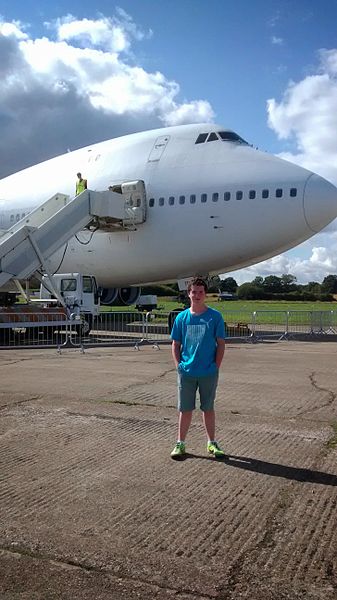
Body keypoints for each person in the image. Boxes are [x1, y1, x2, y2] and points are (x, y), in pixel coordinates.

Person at [170, 277, 226, 459]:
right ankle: (180, 443)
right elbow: (175, 344)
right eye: (194, 292)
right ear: (188, 293)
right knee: (185, 409)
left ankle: (211, 442)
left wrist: (215, 366)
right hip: (187, 371)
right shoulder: (181, 317)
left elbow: (221, 344)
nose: (197, 295)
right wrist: (179, 365)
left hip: (208, 372)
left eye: (201, 292)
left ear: (206, 294)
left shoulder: (215, 317)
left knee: (208, 408)